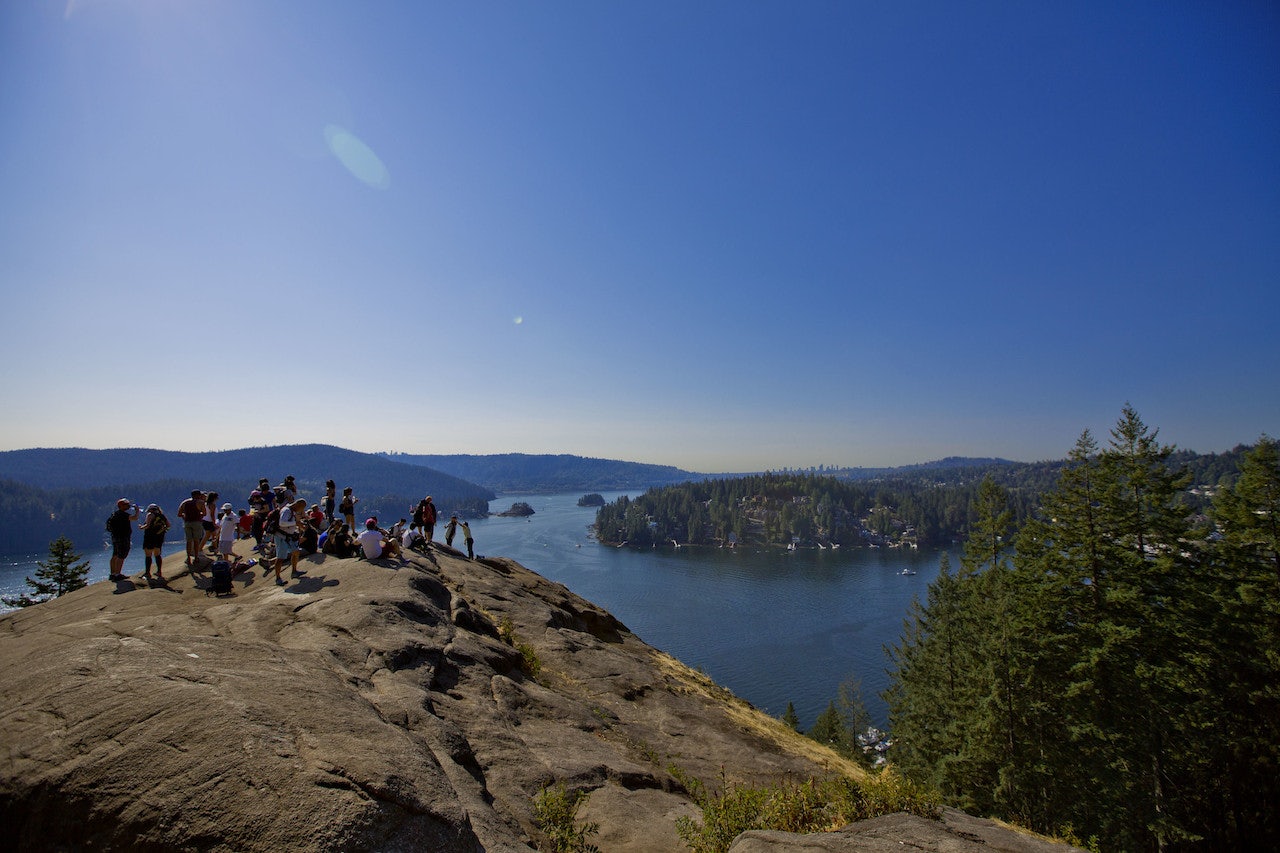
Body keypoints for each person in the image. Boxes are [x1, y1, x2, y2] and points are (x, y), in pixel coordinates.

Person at [271, 498, 307, 584]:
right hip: (281, 536)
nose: (301, 510)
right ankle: (278, 578)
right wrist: (295, 523)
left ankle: (294, 571)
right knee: (280, 557)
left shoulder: (291, 511)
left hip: (288, 536)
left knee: (296, 552)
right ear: (297, 505)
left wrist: (300, 525)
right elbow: (282, 523)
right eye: (301, 508)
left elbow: (293, 522)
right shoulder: (286, 510)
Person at [106, 498, 139, 581]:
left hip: (115, 537)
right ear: (121, 506)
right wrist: (137, 510)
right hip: (123, 537)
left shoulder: (115, 514)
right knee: (122, 555)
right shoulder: (124, 515)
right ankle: (118, 574)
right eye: (126, 504)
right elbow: (135, 518)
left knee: (115, 555)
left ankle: (113, 573)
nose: (128, 506)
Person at [139, 503, 170, 584]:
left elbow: (147, 525)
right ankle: (159, 571)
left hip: (150, 536)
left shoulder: (150, 515)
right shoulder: (162, 516)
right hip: (159, 537)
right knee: (157, 554)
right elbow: (169, 525)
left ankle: (147, 573)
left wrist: (141, 527)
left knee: (148, 555)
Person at [177, 490, 207, 567]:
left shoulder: (185, 502)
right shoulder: (200, 502)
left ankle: (188, 557)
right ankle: (196, 557)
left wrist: (185, 517)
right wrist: (199, 514)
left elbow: (179, 514)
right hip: (197, 522)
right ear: (198, 495)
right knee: (196, 540)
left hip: (187, 523)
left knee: (188, 541)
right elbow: (204, 513)